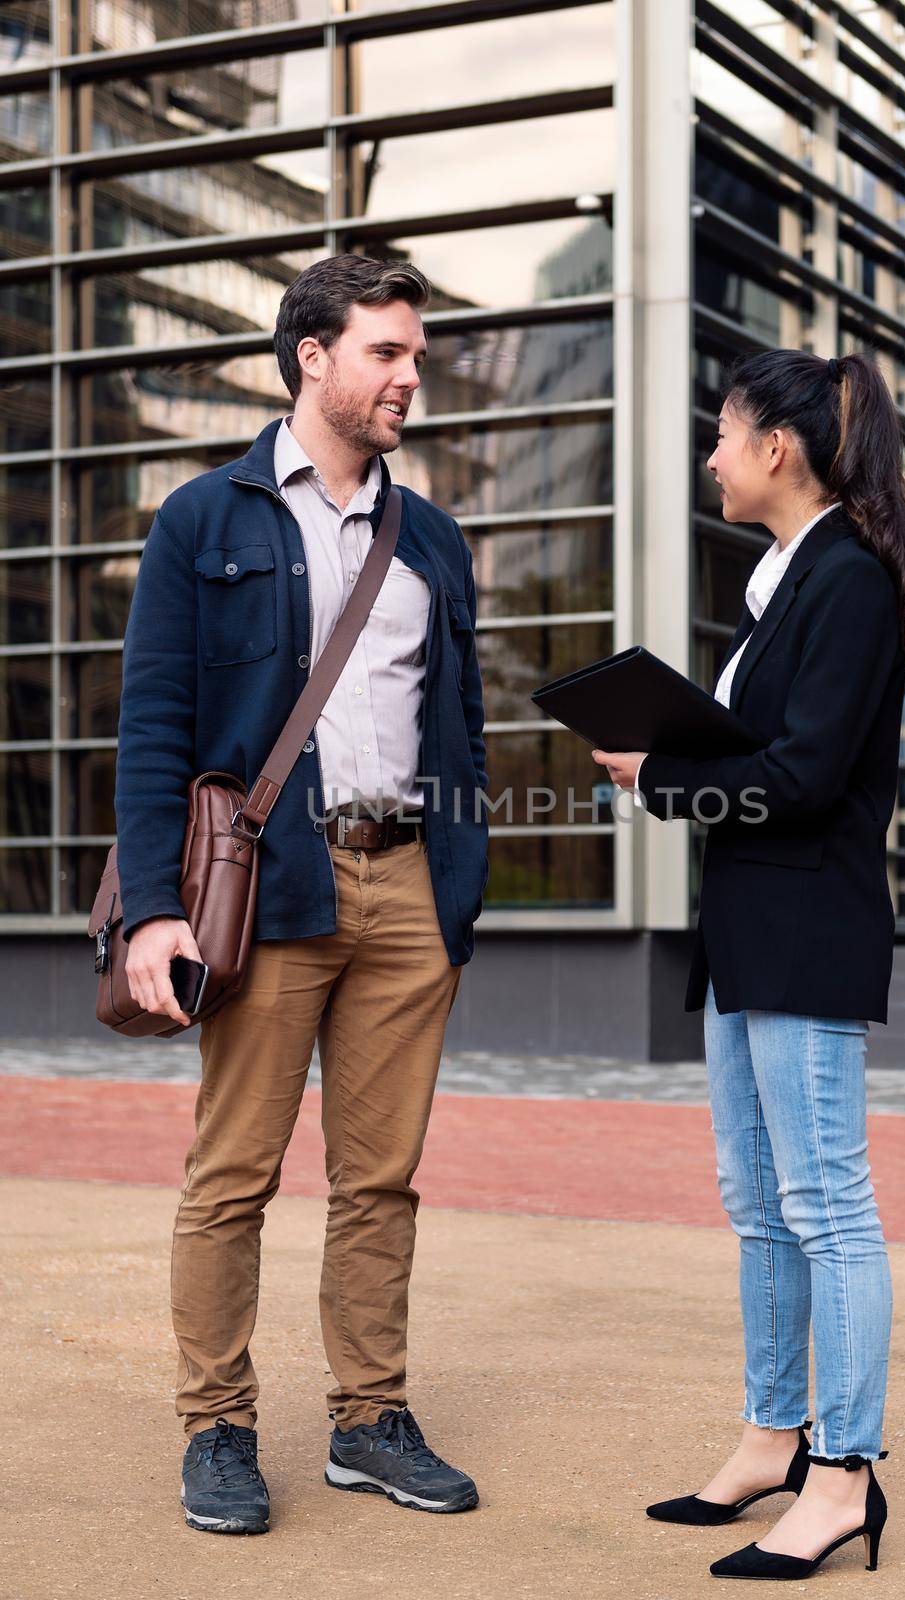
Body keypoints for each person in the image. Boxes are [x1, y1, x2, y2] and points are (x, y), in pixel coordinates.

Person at [115, 254, 489, 1533]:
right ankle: (216, 1429)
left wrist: (459, 884)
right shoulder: (203, 518)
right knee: (234, 1173)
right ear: (311, 357)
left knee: (382, 1179)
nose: (407, 378)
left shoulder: (431, 535)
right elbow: (155, 725)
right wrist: (159, 904)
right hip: (270, 885)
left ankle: (367, 1418)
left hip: (404, 891)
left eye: (416, 358)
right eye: (386, 353)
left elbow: (463, 730)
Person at [592, 348, 905, 1581]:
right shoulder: (779, 580)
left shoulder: (842, 580)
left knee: (827, 1211)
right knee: (759, 1211)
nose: (710, 455)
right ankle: (768, 1437)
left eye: (722, 434)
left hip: (807, 929)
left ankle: (843, 1475)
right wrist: (670, 757)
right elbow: (764, 753)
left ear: (777, 449)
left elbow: (799, 777)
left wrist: (664, 776)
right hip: (747, 931)